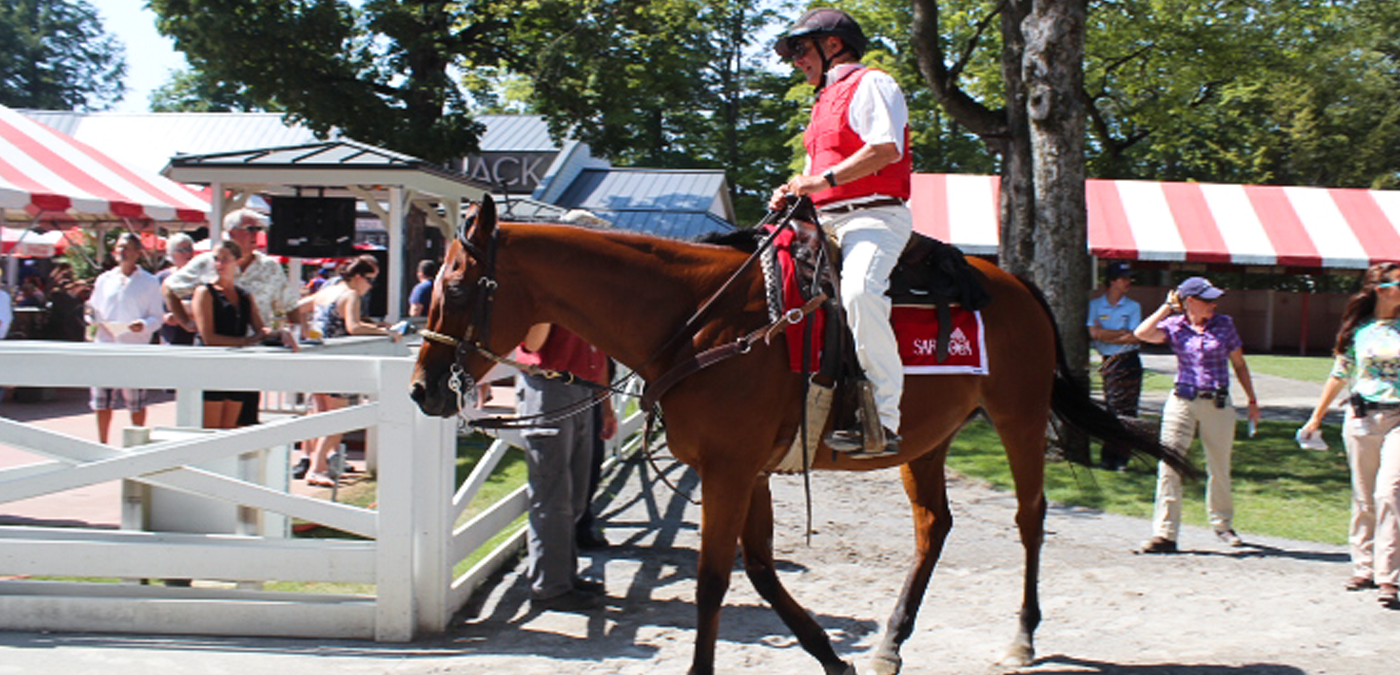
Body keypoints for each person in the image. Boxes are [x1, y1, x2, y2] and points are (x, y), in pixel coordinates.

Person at [769, 7, 913, 458]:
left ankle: (884, 420)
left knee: (859, 294)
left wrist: (823, 181)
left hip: (875, 217)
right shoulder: (822, 103)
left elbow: (886, 149)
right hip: (827, 219)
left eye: (800, 48)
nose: (795, 60)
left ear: (833, 45)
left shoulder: (874, 83)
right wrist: (793, 188)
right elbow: (817, 174)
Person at [1134, 276, 1260, 553]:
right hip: (1182, 401)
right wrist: (1167, 307)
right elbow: (1142, 333)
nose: (1214, 304)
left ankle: (1222, 525)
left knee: (1219, 466)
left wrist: (1251, 398)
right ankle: (1165, 534)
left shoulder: (1224, 325)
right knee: (1169, 465)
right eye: (1207, 300)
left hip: (1218, 402)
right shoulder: (1175, 327)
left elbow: (1238, 364)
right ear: (1190, 302)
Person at [1299, 263, 1400, 608]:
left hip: (1399, 418)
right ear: (1382, 289)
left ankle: (1389, 577)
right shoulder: (1359, 330)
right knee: (1364, 496)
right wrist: (1316, 418)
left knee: (1390, 492)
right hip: (1361, 418)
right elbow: (1339, 374)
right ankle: (1363, 567)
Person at [163, 209, 303, 426]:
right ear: (230, 233)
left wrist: (292, 334)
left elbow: (290, 306)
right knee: (209, 430)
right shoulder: (206, 265)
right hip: (213, 360)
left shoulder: (268, 269)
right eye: (250, 229)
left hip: (250, 360)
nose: (256, 234)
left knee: (242, 426)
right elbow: (170, 287)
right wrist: (186, 322)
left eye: (258, 229)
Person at [515, 323, 615, 610]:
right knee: (552, 494)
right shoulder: (550, 290)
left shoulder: (587, 294)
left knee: (575, 496)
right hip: (550, 388)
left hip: (584, 390)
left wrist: (605, 407)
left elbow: (601, 352)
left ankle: (563, 576)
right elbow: (533, 344)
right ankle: (550, 586)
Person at [294, 255, 400, 487]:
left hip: (317, 358)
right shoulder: (350, 294)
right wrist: (388, 333)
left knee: (320, 417)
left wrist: (306, 333)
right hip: (338, 364)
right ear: (358, 277)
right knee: (338, 422)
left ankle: (314, 464)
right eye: (370, 280)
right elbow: (353, 327)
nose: (371, 287)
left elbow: (296, 310)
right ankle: (317, 468)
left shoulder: (325, 292)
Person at [190, 241, 297, 428]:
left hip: (236, 368)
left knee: (231, 429)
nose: (219, 264)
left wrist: (281, 333)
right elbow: (208, 338)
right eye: (216, 259)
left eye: (225, 259)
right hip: (210, 367)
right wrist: (246, 341)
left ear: (236, 262)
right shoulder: (204, 292)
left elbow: (260, 329)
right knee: (210, 431)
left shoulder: (244, 295)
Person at [86, 233, 166, 444]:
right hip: (105, 347)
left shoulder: (149, 282)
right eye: (120, 247)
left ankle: (136, 445)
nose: (123, 251)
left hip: (133, 349)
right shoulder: (104, 280)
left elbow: (157, 318)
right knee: (102, 402)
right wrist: (91, 319)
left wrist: (143, 325)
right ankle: (102, 444)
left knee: (136, 403)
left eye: (128, 247)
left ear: (138, 252)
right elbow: (92, 309)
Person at [1088, 261, 1143, 471]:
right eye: (1124, 278)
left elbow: (1135, 337)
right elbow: (1094, 334)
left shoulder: (1133, 306)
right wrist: (1120, 334)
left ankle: (1121, 458)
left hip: (1128, 360)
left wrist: (1105, 334)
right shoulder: (1096, 305)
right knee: (1112, 409)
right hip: (1109, 362)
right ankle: (1108, 456)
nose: (1128, 282)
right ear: (1112, 281)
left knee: (1127, 410)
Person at [157, 232, 198, 345]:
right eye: (182, 250)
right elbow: (152, 309)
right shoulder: (162, 278)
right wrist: (165, 318)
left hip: (194, 337)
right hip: (169, 337)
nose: (188, 253)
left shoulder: (200, 277)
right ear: (172, 254)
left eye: (190, 249)